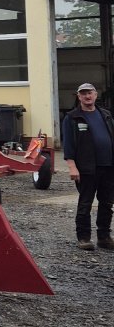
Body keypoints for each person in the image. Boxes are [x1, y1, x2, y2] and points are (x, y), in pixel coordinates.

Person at [61, 83, 114, 251]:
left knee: (107, 203)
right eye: (83, 94)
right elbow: (68, 144)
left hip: (108, 167)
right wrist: (72, 166)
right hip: (86, 169)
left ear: (95, 95)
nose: (87, 96)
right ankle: (83, 238)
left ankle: (104, 237)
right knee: (85, 203)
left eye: (89, 93)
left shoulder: (105, 115)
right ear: (79, 97)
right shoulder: (73, 117)